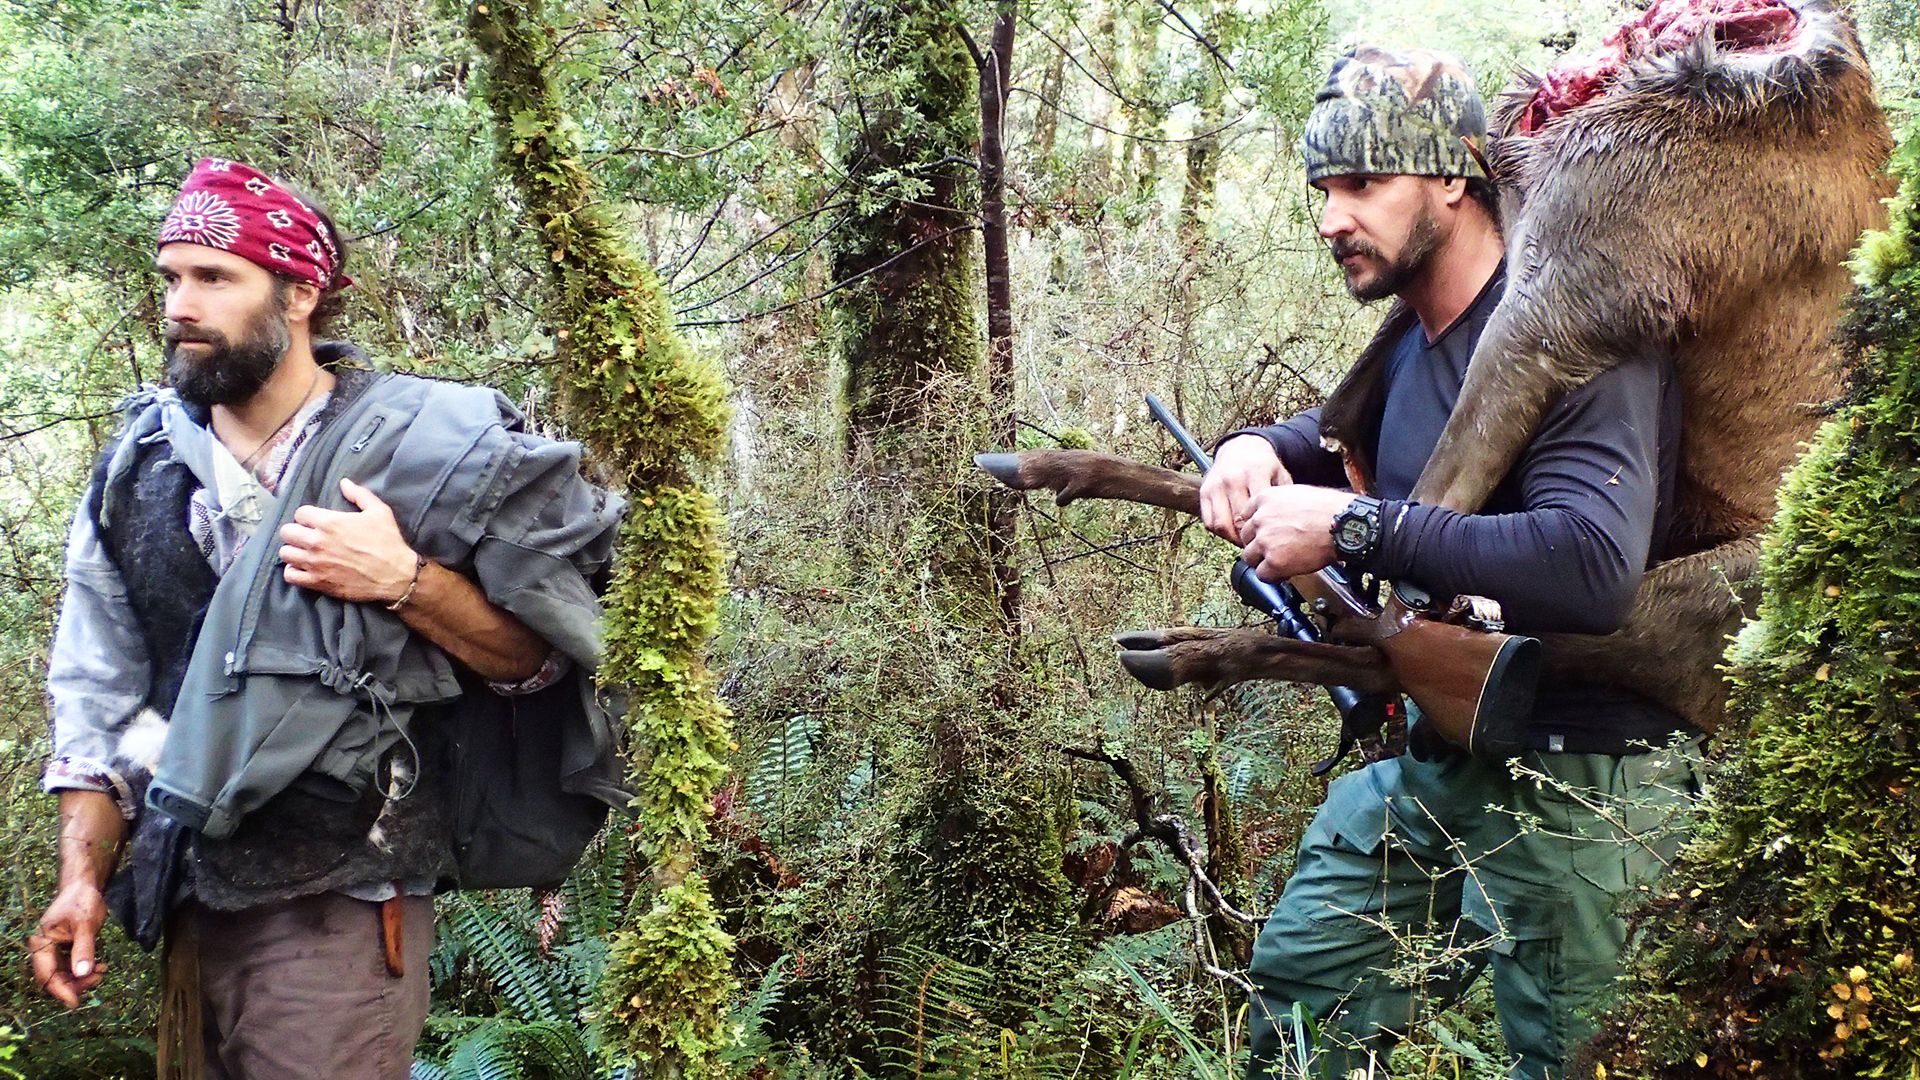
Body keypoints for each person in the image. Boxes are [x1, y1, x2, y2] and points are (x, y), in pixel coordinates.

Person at [27, 157, 627, 1079]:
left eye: (214, 277)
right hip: (186, 894)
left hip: (343, 902)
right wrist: (82, 881)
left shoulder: (426, 450)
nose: (181, 305)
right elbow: (98, 698)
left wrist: (407, 581)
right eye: (171, 278)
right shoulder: (137, 469)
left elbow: (540, 662)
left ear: (300, 294)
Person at [1198, 50, 1704, 1079]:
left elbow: (1591, 563)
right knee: (1301, 1018)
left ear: (1451, 176)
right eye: (1322, 190)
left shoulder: (1578, 328)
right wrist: (1257, 445)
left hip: (1587, 777)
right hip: (1445, 757)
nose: (1332, 218)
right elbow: (1349, 434)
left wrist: (1354, 529)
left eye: (1363, 183)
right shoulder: (1414, 341)